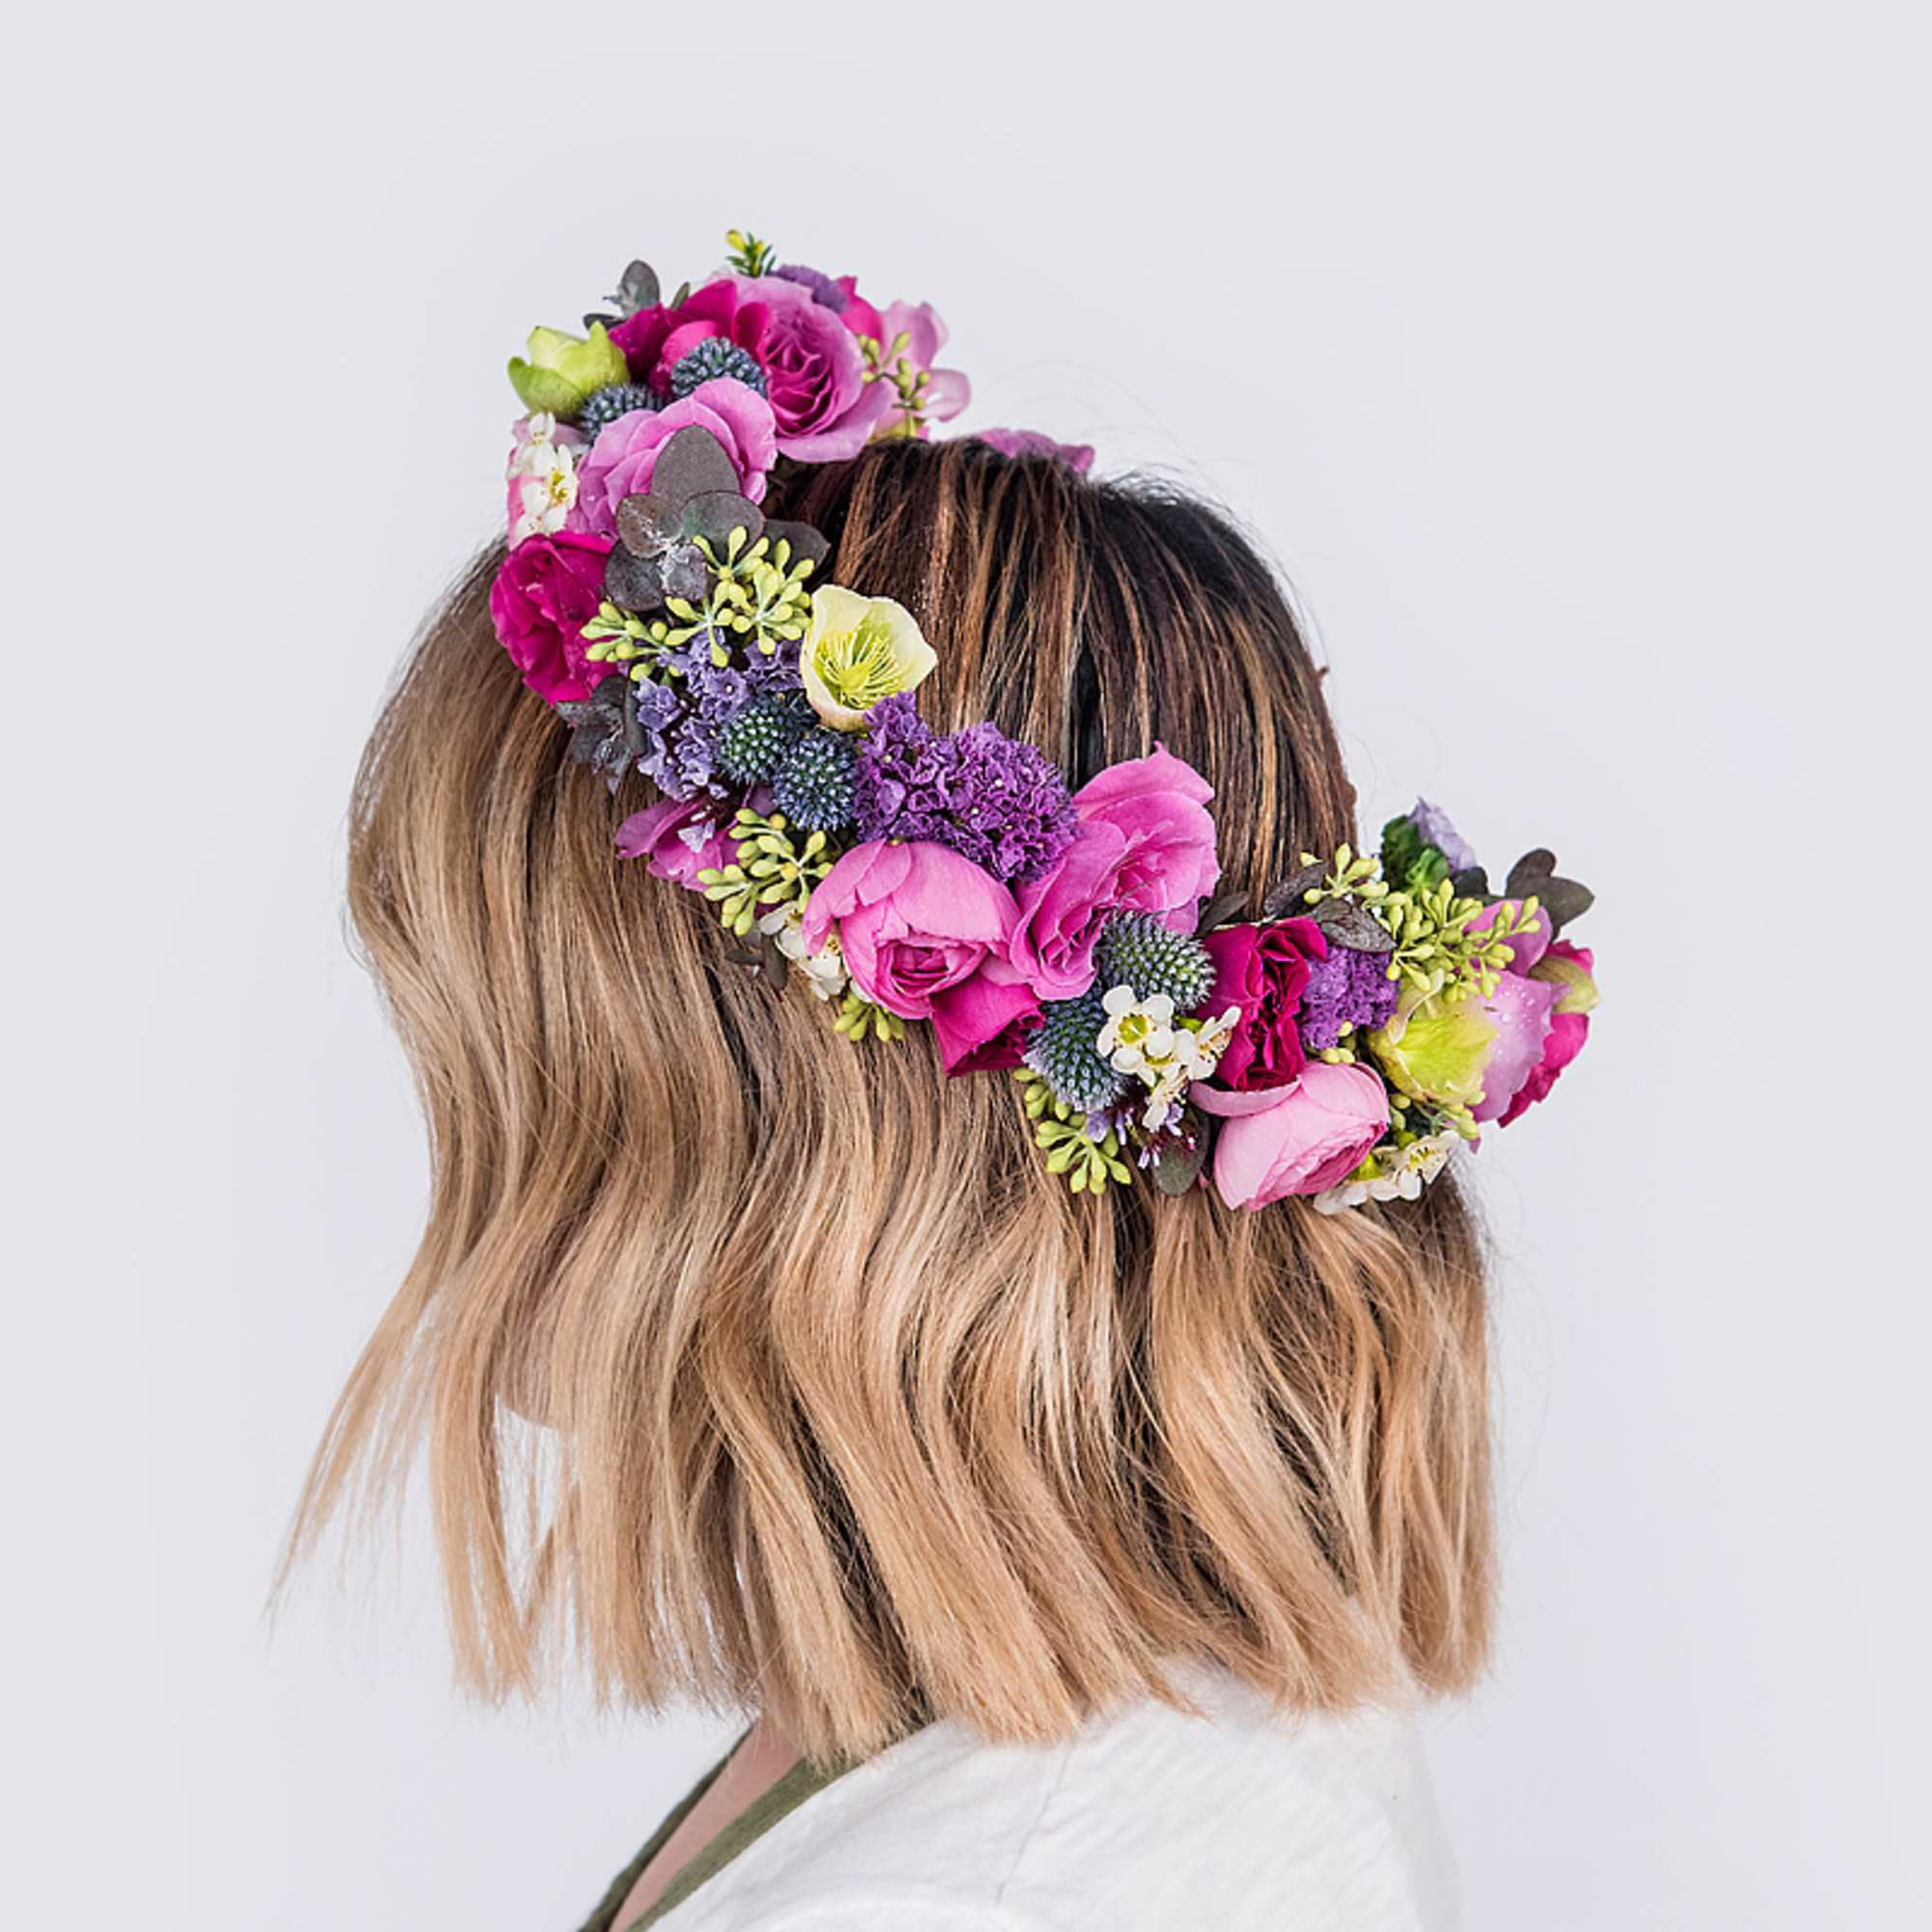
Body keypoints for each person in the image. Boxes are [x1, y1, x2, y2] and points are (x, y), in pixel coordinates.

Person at [285, 242, 1600, 1930]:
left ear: (754, 1141)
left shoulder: (1011, 1891)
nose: (458, 1156)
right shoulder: (1061, 1745)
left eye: (497, 1068)